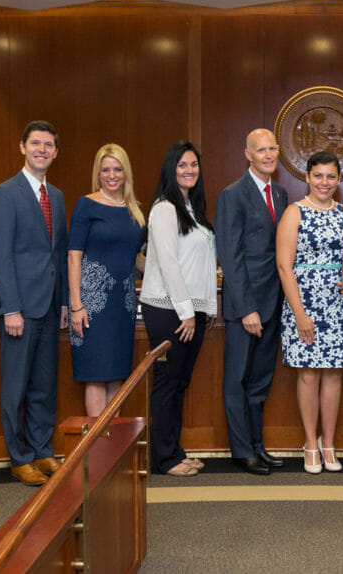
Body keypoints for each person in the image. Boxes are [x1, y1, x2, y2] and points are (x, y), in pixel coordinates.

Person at [0, 120, 69, 486]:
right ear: (22, 147)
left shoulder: (58, 196)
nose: (42, 149)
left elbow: (60, 254)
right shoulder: (5, 194)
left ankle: (41, 450)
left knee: (44, 385)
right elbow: (2, 256)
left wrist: (65, 302)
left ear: (55, 151)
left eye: (48, 145)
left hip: (51, 307)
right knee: (16, 387)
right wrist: (11, 308)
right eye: (35, 143)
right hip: (20, 309)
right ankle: (19, 457)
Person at [141, 140, 217, 477]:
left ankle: (174, 450)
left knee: (180, 383)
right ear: (171, 170)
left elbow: (202, 266)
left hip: (192, 310)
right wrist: (187, 311)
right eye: (183, 165)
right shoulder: (164, 208)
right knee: (167, 382)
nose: (189, 170)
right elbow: (169, 265)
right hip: (168, 310)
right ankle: (162, 458)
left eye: (194, 165)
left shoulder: (192, 209)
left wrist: (206, 308)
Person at [215, 128, 289, 475]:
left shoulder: (282, 193)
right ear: (248, 154)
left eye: (272, 148)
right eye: (261, 150)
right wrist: (246, 309)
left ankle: (258, 446)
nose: (268, 155)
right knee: (236, 380)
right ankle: (242, 450)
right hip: (245, 308)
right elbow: (230, 257)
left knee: (260, 381)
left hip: (274, 304)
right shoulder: (233, 195)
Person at [276, 151, 343, 474]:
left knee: (334, 374)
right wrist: (299, 313)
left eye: (331, 176)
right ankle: (310, 442)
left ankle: (329, 442)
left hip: (338, 305)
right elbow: (284, 266)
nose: (325, 182)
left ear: (339, 179)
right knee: (308, 374)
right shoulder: (294, 213)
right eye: (318, 176)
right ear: (307, 177)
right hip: (303, 303)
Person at [67, 144, 145, 416]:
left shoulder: (134, 210)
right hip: (91, 305)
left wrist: (167, 274)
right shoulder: (86, 204)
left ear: (126, 173)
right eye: (106, 170)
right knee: (96, 375)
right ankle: (97, 455)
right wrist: (76, 305)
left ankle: (115, 453)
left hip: (122, 307)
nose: (112, 175)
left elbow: (133, 257)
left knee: (117, 376)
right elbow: (73, 257)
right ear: (98, 174)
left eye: (117, 169)